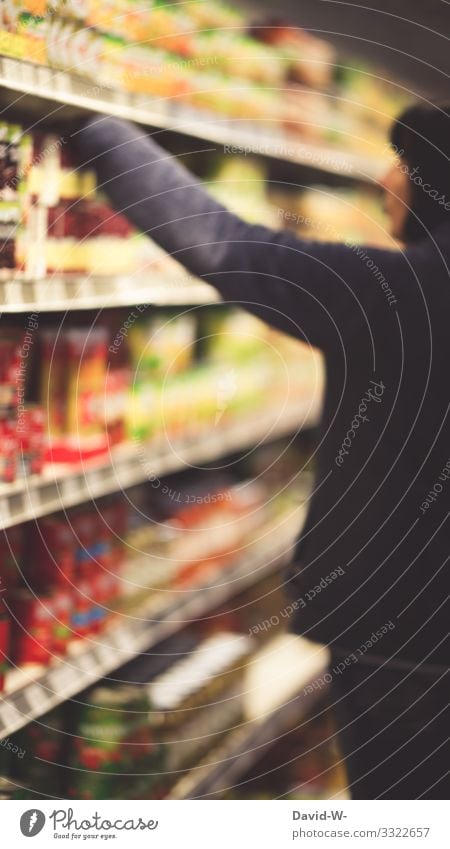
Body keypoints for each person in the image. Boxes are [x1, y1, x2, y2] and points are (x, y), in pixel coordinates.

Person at [74, 103, 449, 799]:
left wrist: (90, 126)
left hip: (407, 647)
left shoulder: (406, 292)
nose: (383, 177)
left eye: (405, 164)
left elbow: (223, 243)